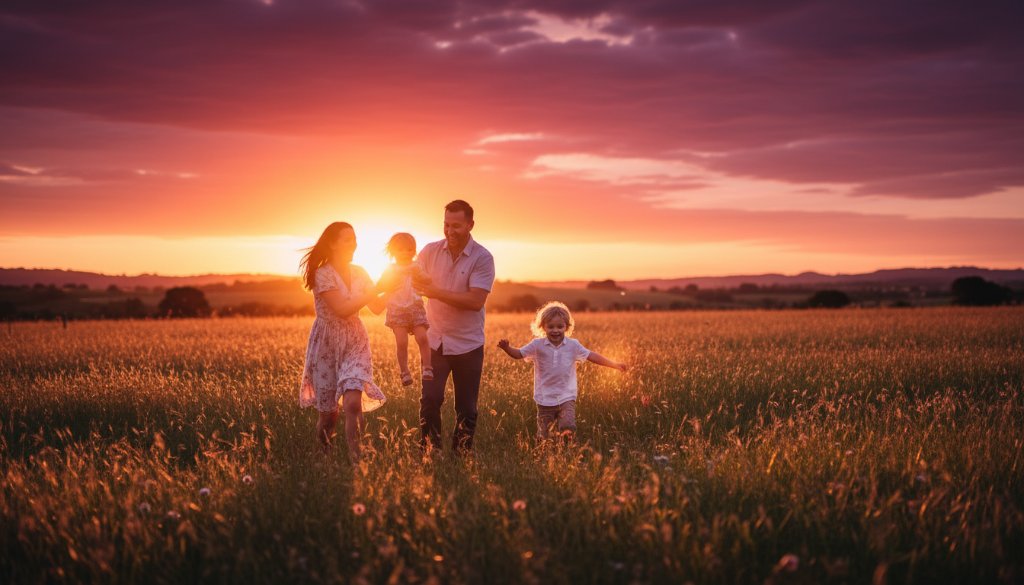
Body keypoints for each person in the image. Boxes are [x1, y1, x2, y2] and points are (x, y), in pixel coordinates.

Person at [298, 222, 388, 461]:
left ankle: (356, 459)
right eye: (347, 240)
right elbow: (341, 309)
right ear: (332, 244)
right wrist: (377, 288)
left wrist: (397, 286)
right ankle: (324, 457)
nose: (354, 244)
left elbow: (377, 307)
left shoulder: (360, 271)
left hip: (355, 341)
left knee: (352, 403)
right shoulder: (322, 274)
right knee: (328, 415)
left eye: (355, 239)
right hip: (326, 344)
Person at [413, 200, 495, 455]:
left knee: (467, 409)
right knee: (430, 400)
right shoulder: (428, 252)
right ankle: (430, 452)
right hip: (434, 342)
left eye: (456, 225)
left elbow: (475, 301)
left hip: (468, 344)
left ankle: (461, 454)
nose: (449, 230)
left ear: (470, 225)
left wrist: (435, 292)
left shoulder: (482, 258)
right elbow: (411, 279)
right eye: (446, 224)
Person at [497, 301, 628, 442]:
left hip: (567, 396)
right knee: (545, 436)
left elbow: (592, 356)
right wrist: (507, 348)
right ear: (543, 327)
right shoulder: (537, 345)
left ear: (567, 327)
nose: (555, 330)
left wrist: (614, 364)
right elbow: (519, 354)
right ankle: (547, 455)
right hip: (544, 398)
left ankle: (567, 452)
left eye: (560, 326)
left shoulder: (573, 345)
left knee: (567, 426)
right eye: (551, 326)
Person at [380, 232, 432, 386]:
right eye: (401, 249)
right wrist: (388, 282)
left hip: (415, 307)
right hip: (397, 310)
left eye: (409, 249)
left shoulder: (416, 266)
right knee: (401, 342)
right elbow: (381, 284)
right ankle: (404, 372)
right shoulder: (391, 269)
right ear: (393, 252)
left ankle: (428, 367)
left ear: (414, 251)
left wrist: (420, 276)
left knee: (422, 337)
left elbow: (428, 280)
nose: (405, 253)